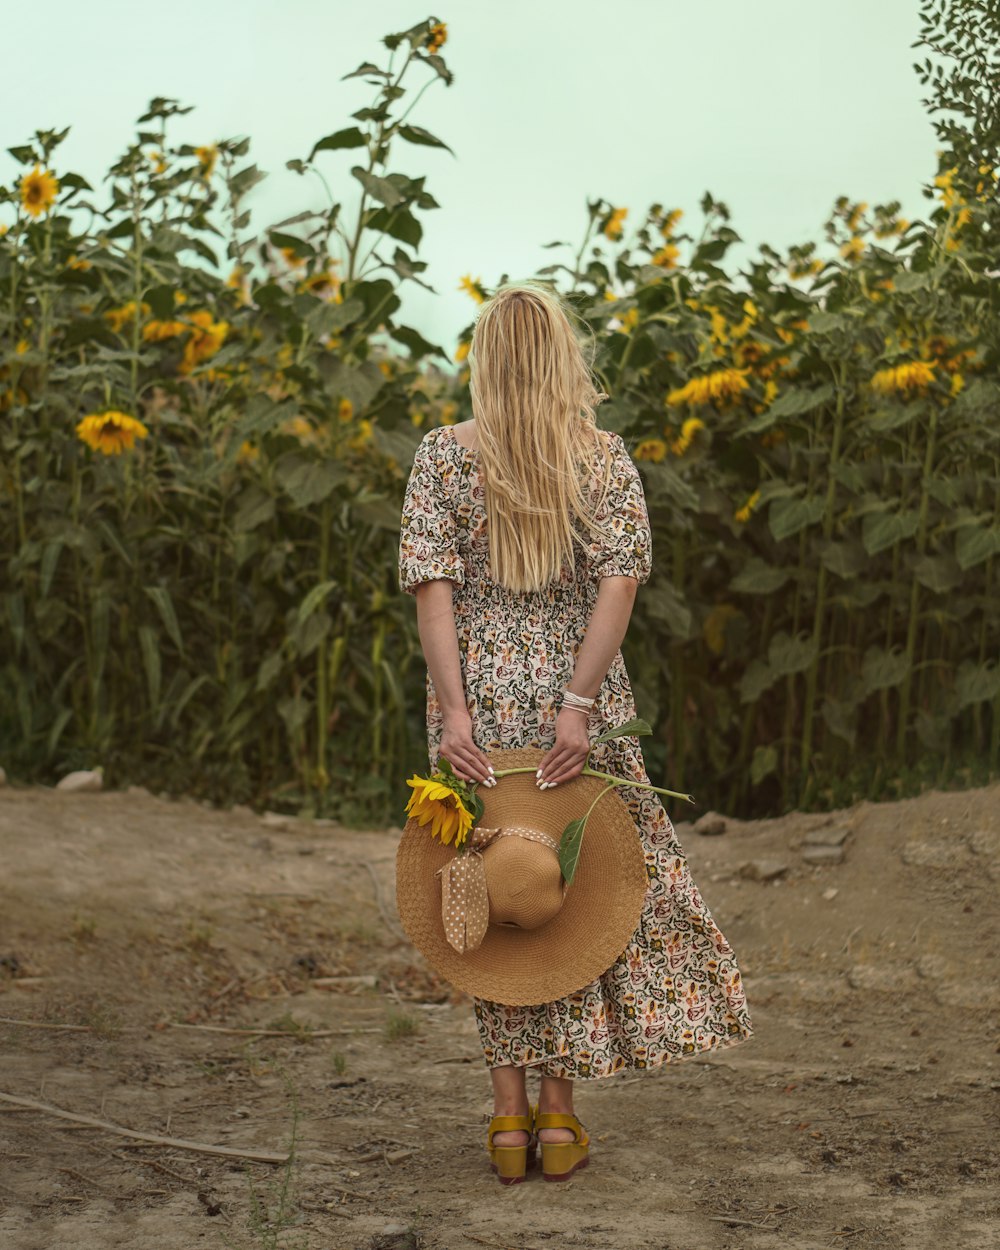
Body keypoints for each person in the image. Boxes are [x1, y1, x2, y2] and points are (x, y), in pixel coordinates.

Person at [397, 280, 754, 1178]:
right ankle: (561, 1124)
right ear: (563, 359)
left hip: (479, 700)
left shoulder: (442, 456)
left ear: (484, 362)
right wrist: (581, 704)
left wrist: (453, 710)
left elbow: (432, 595)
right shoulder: (600, 459)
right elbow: (621, 583)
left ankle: (506, 1121)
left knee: (486, 899)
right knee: (578, 895)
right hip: (569, 705)